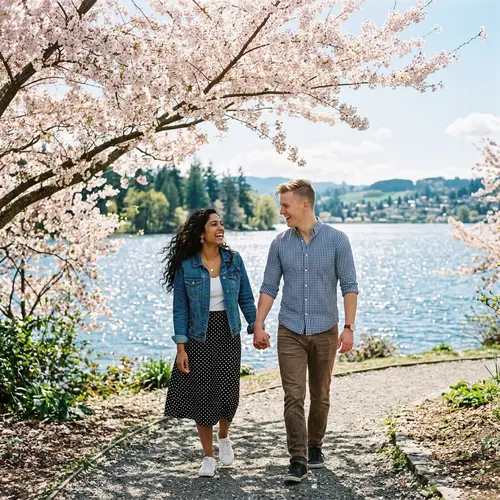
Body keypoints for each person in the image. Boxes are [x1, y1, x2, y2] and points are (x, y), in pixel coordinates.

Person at [253, 179, 358, 484]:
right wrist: (259, 323)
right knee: (293, 395)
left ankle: (315, 447)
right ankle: (297, 459)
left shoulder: (338, 240)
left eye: (285, 206)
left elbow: (349, 287)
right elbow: (269, 287)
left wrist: (349, 327)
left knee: (321, 394)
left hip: (326, 330)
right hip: (291, 330)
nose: (281, 211)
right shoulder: (280, 243)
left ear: (305, 205)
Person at [161, 208, 261, 478]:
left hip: (228, 334)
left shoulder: (233, 260)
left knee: (230, 394)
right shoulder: (187, 266)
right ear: (201, 233)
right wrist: (181, 348)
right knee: (202, 398)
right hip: (198, 338)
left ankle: (224, 435)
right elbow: (180, 309)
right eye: (213, 224)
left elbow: (246, 299)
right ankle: (208, 456)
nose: (220, 228)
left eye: (221, 223)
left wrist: (256, 327)